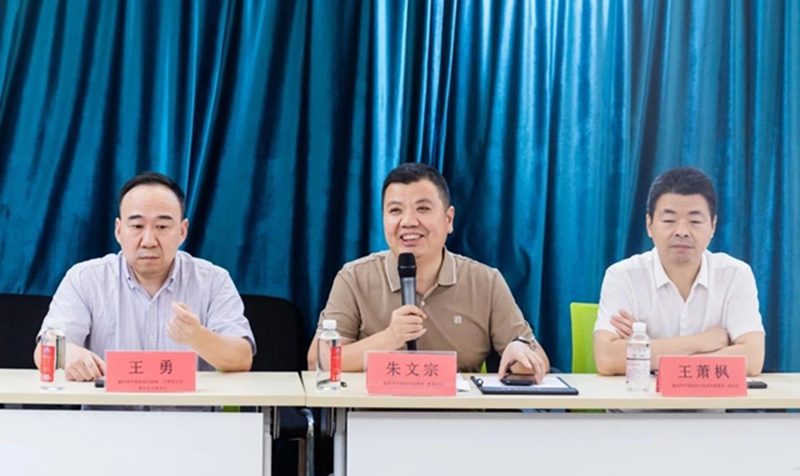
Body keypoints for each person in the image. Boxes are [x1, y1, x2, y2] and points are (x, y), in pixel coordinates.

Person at [307, 163, 549, 381]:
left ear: (448, 219)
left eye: (422, 209)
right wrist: (389, 338)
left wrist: (520, 354)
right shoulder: (354, 277)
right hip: (374, 414)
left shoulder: (485, 282)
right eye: (395, 211)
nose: (408, 221)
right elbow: (318, 361)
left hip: (459, 414)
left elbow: (539, 362)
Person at [34, 172, 255, 381]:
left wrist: (197, 336)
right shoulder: (85, 279)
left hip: (188, 410)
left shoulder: (213, 281)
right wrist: (68, 353)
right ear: (119, 230)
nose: (149, 240)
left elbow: (242, 358)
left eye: (162, 226)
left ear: (182, 231)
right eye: (137, 226)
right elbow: (44, 350)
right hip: (108, 409)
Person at [593, 167, 765, 376]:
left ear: (713, 226)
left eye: (695, 221)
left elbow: (752, 359)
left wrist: (648, 349)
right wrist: (700, 343)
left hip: (708, 398)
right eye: (669, 221)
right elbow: (607, 358)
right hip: (639, 398)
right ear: (649, 225)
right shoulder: (623, 276)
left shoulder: (735, 274)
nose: (682, 232)